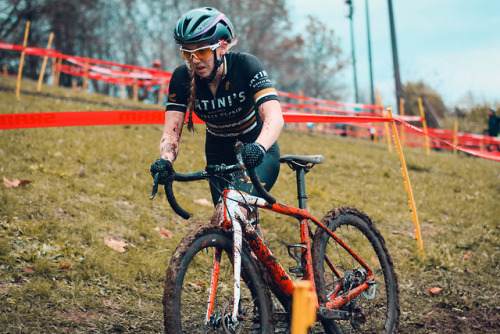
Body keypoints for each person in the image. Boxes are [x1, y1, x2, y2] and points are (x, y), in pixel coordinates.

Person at [150, 7, 284, 206]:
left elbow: (274, 115)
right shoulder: (181, 77)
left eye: (202, 51)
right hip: (218, 150)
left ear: (222, 47)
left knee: (232, 207)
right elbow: (171, 133)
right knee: (223, 219)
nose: (195, 60)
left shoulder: (246, 65)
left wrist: (259, 147)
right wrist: (165, 160)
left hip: (256, 145)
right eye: (187, 53)